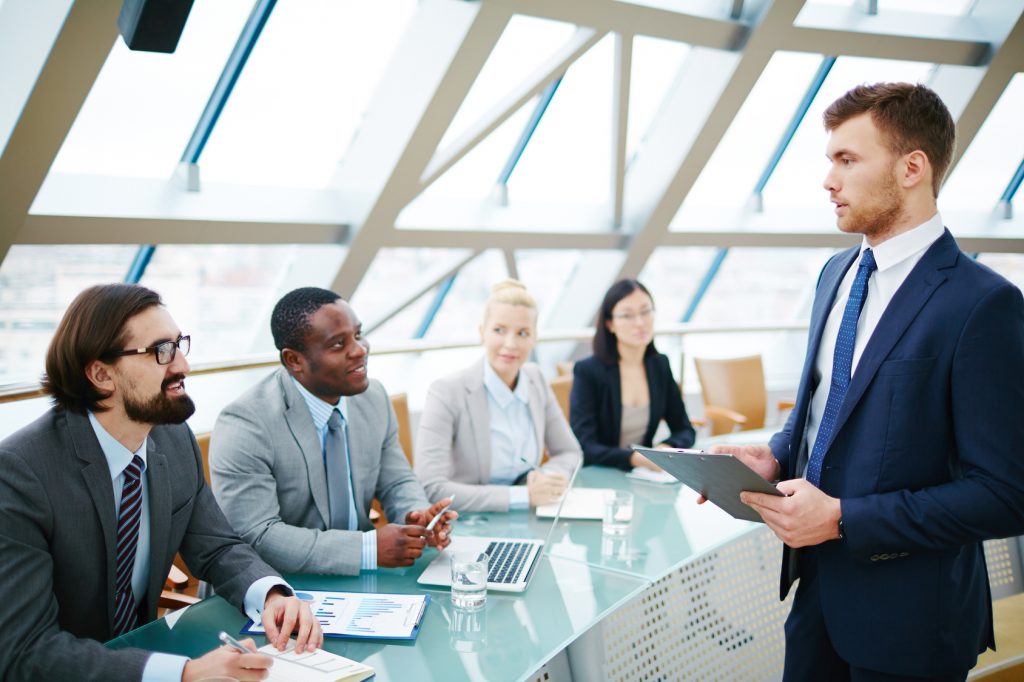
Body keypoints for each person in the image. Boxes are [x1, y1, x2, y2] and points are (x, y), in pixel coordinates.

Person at [717, 83, 1024, 680]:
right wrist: (776, 457)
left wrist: (845, 518)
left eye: (847, 160)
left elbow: (1008, 493)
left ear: (913, 168)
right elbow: (826, 409)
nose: (827, 180)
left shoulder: (982, 306)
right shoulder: (836, 274)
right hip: (816, 603)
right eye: (830, 160)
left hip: (913, 626)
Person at [0, 284, 321, 682]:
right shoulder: (19, 473)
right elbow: (27, 651)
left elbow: (217, 547)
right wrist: (184, 674)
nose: (182, 365)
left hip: (143, 654)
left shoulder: (172, 438)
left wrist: (270, 594)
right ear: (101, 374)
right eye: (160, 352)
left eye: (179, 345)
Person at [210, 287, 455, 576]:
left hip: (361, 579)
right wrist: (367, 549)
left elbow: (397, 481)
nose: (360, 350)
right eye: (338, 344)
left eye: (358, 334)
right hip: (276, 590)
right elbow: (258, 536)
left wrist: (417, 515)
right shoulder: (246, 424)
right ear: (294, 361)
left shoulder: (373, 397)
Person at [415, 279, 581, 513]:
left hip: (530, 518)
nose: (510, 344)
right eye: (499, 330)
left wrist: (545, 479)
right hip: (468, 524)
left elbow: (569, 452)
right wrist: (523, 496)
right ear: (482, 333)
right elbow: (431, 487)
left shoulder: (536, 380)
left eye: (523, 333)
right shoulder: (447, 392)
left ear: (534, 338)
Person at [569, 279, 696, 470]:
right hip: (600, 474)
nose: (640, 322)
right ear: (610, 324)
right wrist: (634, 458)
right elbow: (585, 446)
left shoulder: (659, 365)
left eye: (646, 311)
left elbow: (685, 429)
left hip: (644, 476)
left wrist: (667, 448)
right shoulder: (588, 371)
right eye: (627, 315)